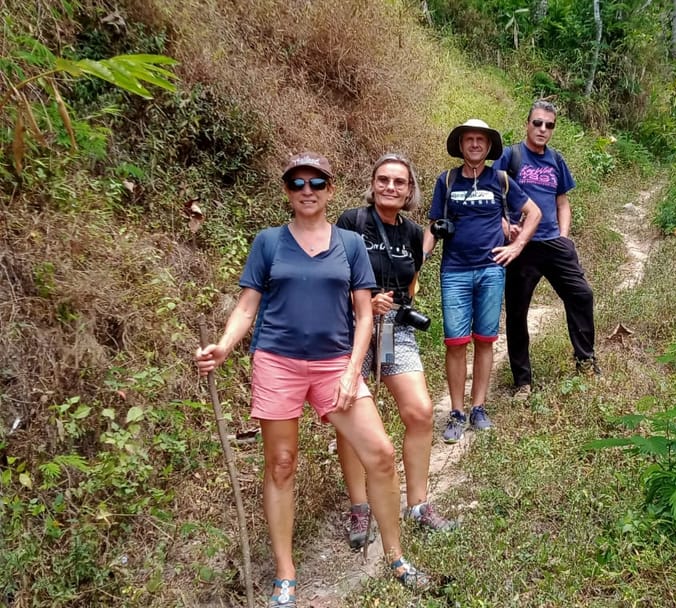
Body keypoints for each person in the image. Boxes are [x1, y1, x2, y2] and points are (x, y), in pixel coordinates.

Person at [195, 152, 428, 606]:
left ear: (329, 189)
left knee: (379, 453)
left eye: (316, 183)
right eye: (297, 184)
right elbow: (247, 306)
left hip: (334, 364)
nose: (307, 191)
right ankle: (286, 571)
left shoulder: (349, 243)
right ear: (287, 191)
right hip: (277, 363)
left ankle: (396, 557)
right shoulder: (268, 242)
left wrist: (349, 370)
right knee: (281, 464)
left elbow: (364, 316)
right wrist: (223, 346)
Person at [335, 153, 456, 549]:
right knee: (351, 416)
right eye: (383, 180)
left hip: (393, 330)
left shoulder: (411, 233)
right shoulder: (350, 225)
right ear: (372, 185)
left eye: (399, 182)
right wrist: (365, 305)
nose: (390, 187)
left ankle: (418, 504)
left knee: (420, 411)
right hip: (352, 330)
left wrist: (394, 306)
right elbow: (332, 282)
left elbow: (413, 279)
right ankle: (359, 505)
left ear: (409, 191)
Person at [423, 119, 542, 443]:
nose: (475, 144)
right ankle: (457, 412)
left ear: (489, 147)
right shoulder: (446, 181)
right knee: (455, 342)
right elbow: (434, 226)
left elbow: (534, 213)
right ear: (460, 146)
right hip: (454, 272)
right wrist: (421, 259)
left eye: (481, 140)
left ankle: (478, 408)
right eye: (469, 140)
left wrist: (517, 246)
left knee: (485, 340)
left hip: (491, 270)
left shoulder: (500, 180)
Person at [493, 100, 600, 399]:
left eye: (549, 125)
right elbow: (493, 197)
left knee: (581, 295)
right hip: (520, 247)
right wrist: (505, 227)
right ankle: (522, 381)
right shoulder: (509, 156)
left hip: (553, 242)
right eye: (537, 123)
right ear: (527, 123)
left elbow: (562, 201)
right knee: (517, 312)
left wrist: (564, 237)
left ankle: (585, 361)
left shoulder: (556, 160)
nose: (542, 129)